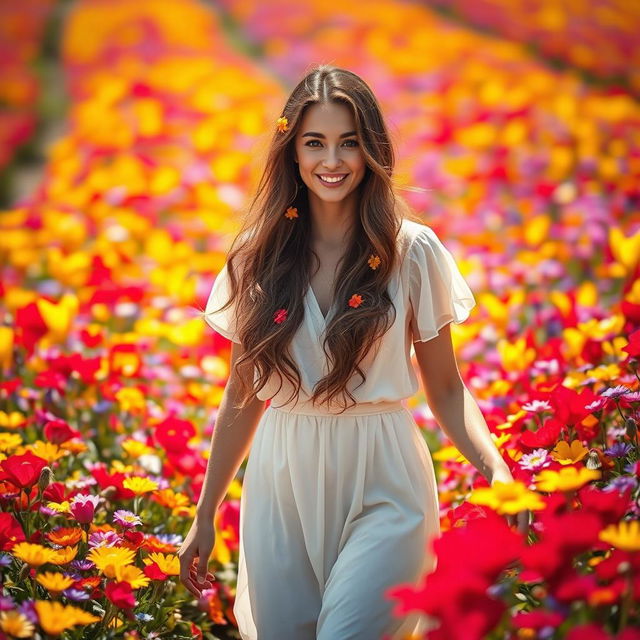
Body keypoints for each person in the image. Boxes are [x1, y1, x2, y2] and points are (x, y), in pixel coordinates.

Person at [178, 64, 530, 640]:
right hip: (281, 478)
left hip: (384, 474)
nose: (332, 161)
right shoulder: (256, 256)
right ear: (291, 152)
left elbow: (445, 386)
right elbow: (243, 394)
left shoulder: (411, 250)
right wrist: (205, 514)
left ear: (372, 150)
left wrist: (493, 464)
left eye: (349, 142)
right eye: (314, 143)